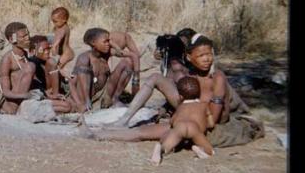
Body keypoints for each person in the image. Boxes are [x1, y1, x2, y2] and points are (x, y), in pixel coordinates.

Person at [95, 34, 263, 147]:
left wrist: (184, 123)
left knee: (144, 133)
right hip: (190, 114)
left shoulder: (217, 77)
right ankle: (117, 124)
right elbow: (184, 99)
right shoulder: (189, 74)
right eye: (201, 56)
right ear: (189, 58)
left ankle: (106, 133)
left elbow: (214, 117)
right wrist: (169, 110)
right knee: (155, 79)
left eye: (209, 54)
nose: (207, 59)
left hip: (205, 124)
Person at [150, 76, 215, 166]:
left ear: (180, 96)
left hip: (180, 127)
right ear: (199, 93)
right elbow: (211, 124)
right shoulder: (203, 105)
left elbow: (172, 121)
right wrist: (206, 125)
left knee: (169, 142)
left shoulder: (180, 107)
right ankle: (201, 151)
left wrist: (174, 127)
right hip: (194, 128)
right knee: (210, 150)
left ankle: (160, 149)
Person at [69, 28, 134, 113]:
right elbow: (71, 83)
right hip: (84, 99)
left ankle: (114, 99)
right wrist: (79, 104)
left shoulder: (106, 55)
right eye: (105, 42)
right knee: (85, 71)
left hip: (101, 96)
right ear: (93, 43)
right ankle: (86, 103)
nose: (108, 44)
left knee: (128, 62)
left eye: (109, 41)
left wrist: (116, 47)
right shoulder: (84, 58)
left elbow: (132, 55)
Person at [0, 22, 36, 114]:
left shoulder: (25, 55)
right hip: (11, 105)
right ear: (11, 39)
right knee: (30, 66)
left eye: (28, 35)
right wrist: (25, 95)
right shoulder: (7, 60)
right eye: (23, 37)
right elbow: (5, 92)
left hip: (23, 99)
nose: (28, 38)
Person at [27, 35, 74, 113]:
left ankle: (55, 97)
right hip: (40, 94)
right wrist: (48, 94)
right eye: (43, 50)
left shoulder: (46, 62)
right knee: (67, 106)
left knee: (71, 106)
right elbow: (34, 83)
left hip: (49, 92)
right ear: (32, 51)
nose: (47, 52)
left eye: (48, 48)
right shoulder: (32, 63)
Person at [47, 7, 75, 96]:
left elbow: (59, 38)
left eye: (56, 21)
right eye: (53, 21)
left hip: (66, 53)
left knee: (56, 68)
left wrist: (54, 46)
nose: (54, 24)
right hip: (63, 52)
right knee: (58, 68)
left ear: (64, 20)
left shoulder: (64, 28)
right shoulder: (58, 27)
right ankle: (61, 84)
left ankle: (66, 84)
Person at [109, 31, 141, 95]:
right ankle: (116, 94)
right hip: (115, 44)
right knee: (131, 60)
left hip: (122, 40)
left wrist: (136, 79)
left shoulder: (126, 37)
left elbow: (136, 55)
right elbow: (135, 55)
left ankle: (117, 94)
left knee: (131, 61)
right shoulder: (109, 42)